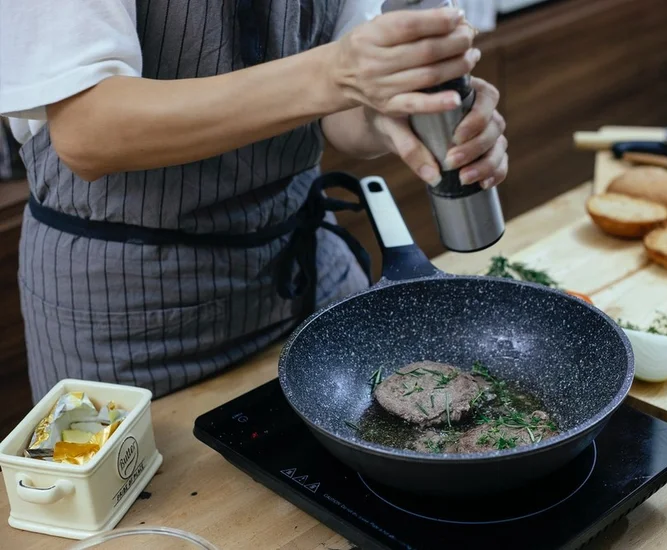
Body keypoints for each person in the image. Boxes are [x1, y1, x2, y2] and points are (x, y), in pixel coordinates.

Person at [0, 1, 508, 401]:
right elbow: (89, 132)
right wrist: (334, 75)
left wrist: (398, 113)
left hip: (306, 268)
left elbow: (341, 113)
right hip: (128, 312)